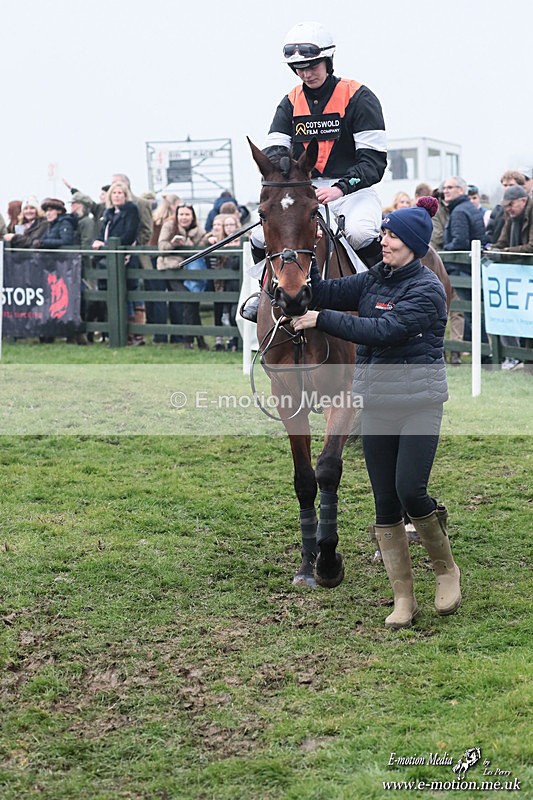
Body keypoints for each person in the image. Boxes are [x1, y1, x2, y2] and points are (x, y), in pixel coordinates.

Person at [292, 197, 461, 629]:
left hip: (419, 404)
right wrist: (305, 263)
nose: (383, 241)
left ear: (413, 245)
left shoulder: (426, 290)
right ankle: (404, 598)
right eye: (383, 234)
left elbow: (382, 331)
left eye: (392, 236)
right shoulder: (373, 279)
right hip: (378, 404)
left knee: (410, 491)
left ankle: (446, 571)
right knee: (384, 502)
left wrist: (321, 319)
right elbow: (327, 292)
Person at [242, 20, 387, 321]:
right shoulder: (290, 102)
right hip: (304, 191)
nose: (306, 74)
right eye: (299, 68)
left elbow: (373, 161)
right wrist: (285, 171)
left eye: (312, 65)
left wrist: (340, 188)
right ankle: (264, 294)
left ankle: (386, 295)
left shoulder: (359, 97)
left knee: (359, 232)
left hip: (352, 191)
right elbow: (274, 149)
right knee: (258, 237)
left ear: (328, 60)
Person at [442, 176, 489, 358]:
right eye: (445, 187)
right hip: (472, 268)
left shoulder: (460, 211)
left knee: (472, 313)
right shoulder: (468, 207)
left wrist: (444, 250)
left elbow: (460, 242)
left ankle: (484, 356)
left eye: (450, 187)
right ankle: (484, 353)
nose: (446, 191)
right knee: (475, 312)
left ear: (461, 190)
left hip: (463, 269)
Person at [92, 181, 143, 345]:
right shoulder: (108, 213)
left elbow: (129, 234)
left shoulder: (131, 210)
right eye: (114, 193)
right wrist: (99, 242)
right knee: (115, 294)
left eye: (120, 193)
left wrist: (106, 244)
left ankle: (135, 333)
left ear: (126, 195)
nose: (117, 196)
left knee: (131, 292)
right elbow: (102, 234)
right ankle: (120, 332)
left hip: (126, 256)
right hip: (110, 259)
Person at [490, 184, 533, 370]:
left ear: (523, 201)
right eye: (506, 205)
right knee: (509, 314)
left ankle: (526, 359)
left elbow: (531, 247)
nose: (508, 209)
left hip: (527, 273)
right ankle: (515, 357)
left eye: (511, 204)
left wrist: (504, 252)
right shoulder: (511, 215)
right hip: (514, 275)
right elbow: (502, 240)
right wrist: (492, 250)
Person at [157, 203, 209, 350]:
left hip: (191, 270)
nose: (184, 217)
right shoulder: (169, 226)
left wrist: (205, 240)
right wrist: (173, 243)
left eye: (187, 214)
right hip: (172, 269)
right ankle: (192, 340)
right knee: (188, 300)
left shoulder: (198, 230)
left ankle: (196, 340)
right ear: (176, 215)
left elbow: (201, 247)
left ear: (192, 216)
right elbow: (161, 247)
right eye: (181, 214)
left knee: (193, 303)